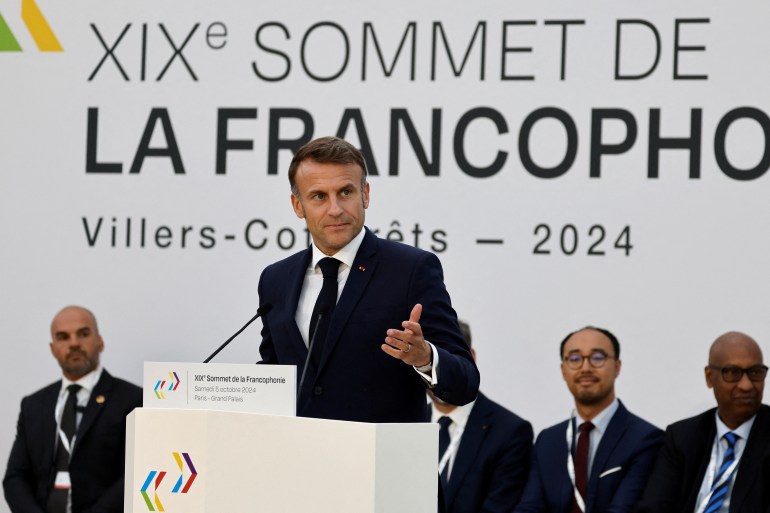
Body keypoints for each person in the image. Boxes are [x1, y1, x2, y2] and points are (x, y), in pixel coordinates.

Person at [257, 135, 479, 422]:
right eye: (319, 196)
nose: (335, 209)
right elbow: (276, 376)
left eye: (346, 192)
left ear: (366, 194)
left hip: (384, 462)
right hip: (301, 461)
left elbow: (466, 383)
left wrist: (425, 358)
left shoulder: (411, 269)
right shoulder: (276, 279)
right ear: (298, 206)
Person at [3, 306, 143, 513]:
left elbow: (135, 474)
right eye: (63, 337)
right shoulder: (33, 405)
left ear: (100, 341)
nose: (74, 343)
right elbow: (16, 477)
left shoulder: (132, 399)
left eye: (83, 334)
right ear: (52, 349)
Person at [514, 327, 662, 513]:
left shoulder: (645, 440)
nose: (585, 368)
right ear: (563, 370)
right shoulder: (548, 440)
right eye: (575, 359)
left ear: (617, 367)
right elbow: (529, 507)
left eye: (597, 358)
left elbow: (623, 509)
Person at [635, 331, 770, 513]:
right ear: (709, 377)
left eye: (755, 372)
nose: (746, 385)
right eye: (732, 373)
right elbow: (653, 508)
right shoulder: (682, 437)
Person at [429, 320, 533, 513]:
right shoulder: (404, 424)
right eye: (427, 360)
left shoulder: (510, 432)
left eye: (446, 359)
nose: (437, 372)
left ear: (471, 358)